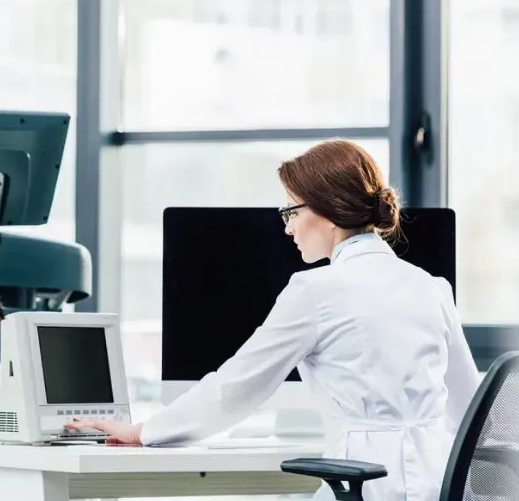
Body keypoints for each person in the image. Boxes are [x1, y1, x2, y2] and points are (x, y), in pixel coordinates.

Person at [69, 139, 482, 501]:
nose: (288, 228)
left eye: (292, 211)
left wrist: (144, 431)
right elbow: (474, 409)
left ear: (330, 211)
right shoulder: (432, 286)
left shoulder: (315, 290)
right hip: (442, 483)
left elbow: (237, 388)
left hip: (366, 484)